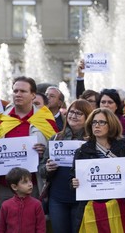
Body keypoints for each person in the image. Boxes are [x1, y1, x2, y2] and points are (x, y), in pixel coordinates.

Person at [0, 76, 58, 217]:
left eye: (23, 91)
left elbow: (56, 150)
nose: (18, 94)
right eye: (15, 91)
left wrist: (45, 151)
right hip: (5, 186)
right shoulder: (2, 120)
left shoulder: (45, 120)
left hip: (33, 185)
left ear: (33, 95)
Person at [71, 108, 125, 231]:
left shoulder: (122, 150)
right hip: (90, 207)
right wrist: (73, 182)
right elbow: (72, 177)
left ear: (111, 125)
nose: (96, 125)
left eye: (101, 122)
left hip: (116, 207)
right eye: (94, 122)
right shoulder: (82, 151)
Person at [40, 99, 93, 233]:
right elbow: (41, 169)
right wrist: (47, 168)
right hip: (58, 199)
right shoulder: (56, 138)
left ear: (87, 117)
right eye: (71, 112)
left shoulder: (93, 141)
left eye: (79, 113)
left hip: (82, 199)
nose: (73, 116)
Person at [0, 167, 45, 233]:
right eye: (25, 182)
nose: (30, 184)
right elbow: (0, 228)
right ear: (14, 187)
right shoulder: (6, 205)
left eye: (30, 181)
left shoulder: (37, 204)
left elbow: (41, 228)